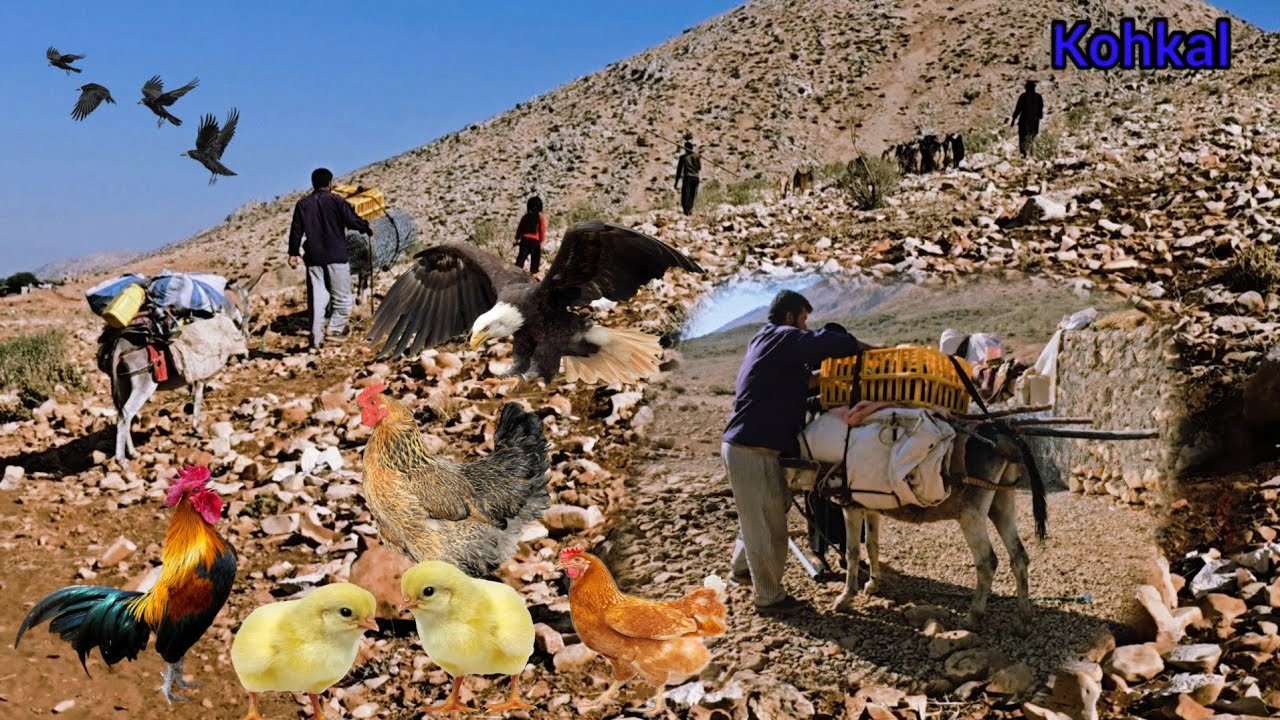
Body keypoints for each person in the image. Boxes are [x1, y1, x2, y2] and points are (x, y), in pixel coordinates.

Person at [721, 290, 872, 615]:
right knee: (765, 525)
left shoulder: (768, 345)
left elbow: (806, 382)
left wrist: (845, 377)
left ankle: (742, 571)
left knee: (767, 511)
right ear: (790, 317)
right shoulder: (780, 336)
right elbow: (828, 343)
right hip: (750, 447)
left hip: (757, 448)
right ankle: (769, 598)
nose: (805, 327)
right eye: (803, 320)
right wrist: (865, 351)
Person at [287, 167, 373, 351]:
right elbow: (352, 221)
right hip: (336, 256)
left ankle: (316, 341)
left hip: (314, 258)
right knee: (342, 299)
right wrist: (366, 227)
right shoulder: (336, 201)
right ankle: (334, 330)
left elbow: (296, 230)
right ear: (330, 183)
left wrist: (293, 253)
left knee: (317, 301)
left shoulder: (303, 204)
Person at [1010, 80, 1045, 158]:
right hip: (1035, 121)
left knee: (1023, 136)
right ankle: (1032, 152)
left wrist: (1013, 119)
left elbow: (1018, 108)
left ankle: (1024, 153)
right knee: (1033, 136)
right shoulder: (1038, 97)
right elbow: (1041, 109)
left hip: (1024, 120)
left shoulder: (1023, 96)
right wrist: (1039, 116)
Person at [513, 196, 546, 274]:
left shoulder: (525, 217)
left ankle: (515, 274)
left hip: (524, 240)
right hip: (535, 242)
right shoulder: (540, 218)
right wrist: (542, 242)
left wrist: (516, 239)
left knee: (521, 259)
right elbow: (542, 231)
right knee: (535, 261)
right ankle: (533, 275)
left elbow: (520, 229)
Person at [674, 139, 701, 216]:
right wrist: (697, 158)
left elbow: (679, 170)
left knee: (686, 195)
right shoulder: (696, 156)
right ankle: (690, 210)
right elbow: (699, 168)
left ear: (685, 148)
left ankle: (686, 212)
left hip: (688, 177)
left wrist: (676, 181)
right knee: (692, 194)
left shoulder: (683, 157)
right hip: (695, 177)